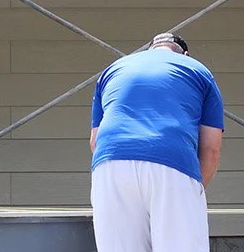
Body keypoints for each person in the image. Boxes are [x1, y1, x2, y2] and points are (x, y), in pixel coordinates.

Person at [90, 32, 224, 252]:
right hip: (172, 161)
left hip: (110, 163)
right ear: (185, 54)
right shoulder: (197, 70)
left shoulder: (113, 69)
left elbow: (95, 140)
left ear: (150, 50)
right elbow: (211, 148)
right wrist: (192, 190)